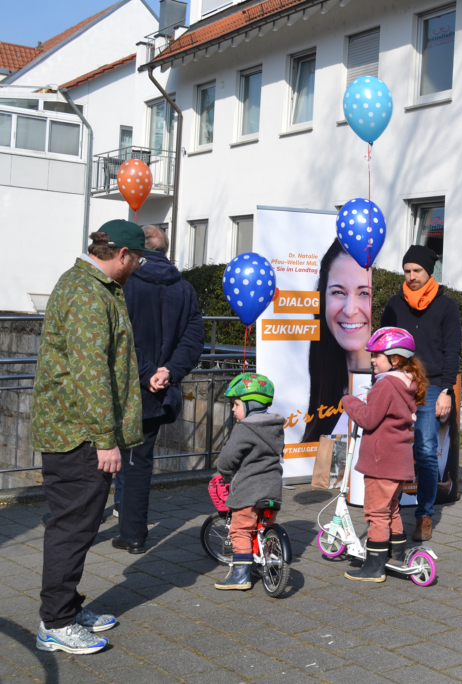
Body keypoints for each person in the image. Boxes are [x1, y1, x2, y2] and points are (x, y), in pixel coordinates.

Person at [30, 220, 146, 654]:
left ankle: (67, 607)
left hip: (77, 431)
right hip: (78, 435)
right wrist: (104, 438)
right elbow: (90, 372)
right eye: (137, 260)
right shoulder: (85, 292)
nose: (136, 268)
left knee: (77, 524)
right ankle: (55, 623)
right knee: (72, 527)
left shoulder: (89, 286)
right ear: (121, 255)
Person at [111, 226, 204, 552]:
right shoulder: (185, 289)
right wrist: (167, 372)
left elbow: (119, 338)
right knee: (138, 464)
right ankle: (133, 535)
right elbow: (194, 340)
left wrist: (150, 371)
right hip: (156, 394)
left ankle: (82, 529)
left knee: (97, 461)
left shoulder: (124, 284)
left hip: (121, 389)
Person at [381, 245, 461, 541]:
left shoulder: (446, 306)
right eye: (407, 271)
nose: (411, 276)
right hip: (398, 384)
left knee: (426, 451)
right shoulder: (394, 303)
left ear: (429, 273)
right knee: (392, 448)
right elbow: (383, 344)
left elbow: (452, 350)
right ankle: (388, 512)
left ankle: (424, 514)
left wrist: (447, 392)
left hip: (431, 387)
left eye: (417, 271)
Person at [341, 328, 427, 581]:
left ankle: (374, 567)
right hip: (399, 459)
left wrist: (349, 402)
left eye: (377, 356)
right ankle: (396, 554)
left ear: (395, 359)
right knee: (392, 509)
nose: (372, 360)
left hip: (381, 461)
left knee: (376, 513)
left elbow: (368, 419)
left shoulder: (386, 385)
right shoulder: (407, 383)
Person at [214, 373, 285, 590]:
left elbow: (228, 456)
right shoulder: (275, 425)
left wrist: (224, 471)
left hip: (249, 490)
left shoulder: (244, 428)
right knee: (263, 527)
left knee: (241, 530)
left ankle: (240, 575)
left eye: (236, 404)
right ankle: (261, 561)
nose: (233, 410)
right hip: (272, 489)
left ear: (250, 405)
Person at [302, 239, 372, 442]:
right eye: (338, 292)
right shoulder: (323, 390)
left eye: (364, 293)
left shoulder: (388, 387)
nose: (350, 310)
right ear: (323, 298)